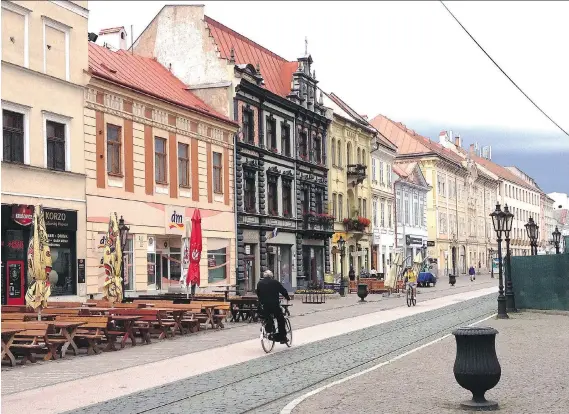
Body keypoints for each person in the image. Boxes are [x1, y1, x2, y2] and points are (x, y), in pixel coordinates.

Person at [256, 269, 290, 343]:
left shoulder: (259, 283)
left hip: (263, 306)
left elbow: (258, 294)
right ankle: (282, 337)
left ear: (264, 276)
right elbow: (283, 291)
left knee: (267, 318)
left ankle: (269, 330)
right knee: (280, 319)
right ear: (271, 276)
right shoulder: (275, 282)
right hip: (274, 306)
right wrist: (287, 297)